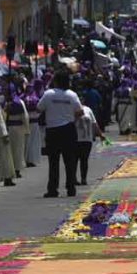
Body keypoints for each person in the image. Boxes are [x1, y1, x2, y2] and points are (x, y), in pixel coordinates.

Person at [36, 70, 83, 198]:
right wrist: (71, 117)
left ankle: (53, 189)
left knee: (53, 162)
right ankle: (71, 188)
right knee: (70, 161)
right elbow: (80, 111)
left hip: (53, 130)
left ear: (55, 81)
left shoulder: (48, 94)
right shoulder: (72, 95)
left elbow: (38, 108)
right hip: (68, 129)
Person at [76, 98, 105, 185]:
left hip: (87, 139)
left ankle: (83, 178)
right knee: (74, 160)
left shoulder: (88, 109)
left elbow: (94, 123)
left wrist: (100, 134)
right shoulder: (71, 109)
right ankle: (72, 178)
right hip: (75, 139)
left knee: (84, 159)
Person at [6, 85, 30, 178]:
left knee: (9, 150)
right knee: (18, 150)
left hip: (8, 128)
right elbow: (25, 117)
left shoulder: (4, 102)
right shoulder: (19, 102)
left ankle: (9, 170)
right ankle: (17, 169)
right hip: (19, 128)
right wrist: (27, 129)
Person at [24, 79, 44, 167]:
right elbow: (40, 110)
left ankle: (26, 159)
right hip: (34, 122)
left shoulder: (22, 97)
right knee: (33, 142)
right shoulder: (36, 98)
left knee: (27, 141)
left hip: (26, 122)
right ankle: (31, 159)